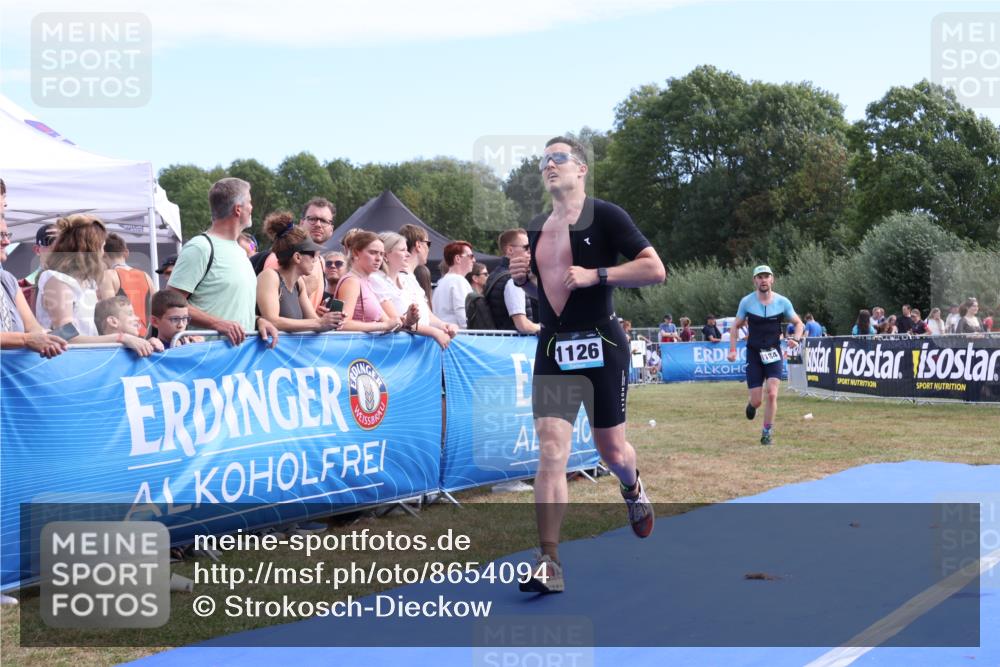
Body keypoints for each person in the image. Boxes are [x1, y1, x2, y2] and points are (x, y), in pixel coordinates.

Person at [509, 136, 666, 594]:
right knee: (552, 450)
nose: (549, 165)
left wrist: (599, 274)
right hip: (555, 346)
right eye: (544, 160)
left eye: (558, 158)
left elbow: (655, 269)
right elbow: (551, 293)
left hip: (601, 341)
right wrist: (528, 280)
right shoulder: (537, 227)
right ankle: (549, 560)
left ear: (580, 169)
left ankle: (633, 488)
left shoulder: (607, 215)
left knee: (611, 451)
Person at [167, 178, 279, 348]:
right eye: (249, 202)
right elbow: (170, 303)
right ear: (238, 209)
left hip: (237, 362)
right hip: (206, 359)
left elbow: (232, 308)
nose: (252, 207)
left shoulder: (240, 251)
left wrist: (259, 321)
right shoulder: (200, 247)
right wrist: (216, 324)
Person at [727, 265, 803, 446]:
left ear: (772, 279)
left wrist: (796, 339)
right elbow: (734, 327)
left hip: (774, 353)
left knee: (772, 394)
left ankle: (767, 431)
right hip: (754, 354)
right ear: (755, 280)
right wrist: (732, 349)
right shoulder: (746, 302)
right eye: (759, 277)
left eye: (766, 276)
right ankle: (752, 405)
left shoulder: (783, 302)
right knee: (758, 400)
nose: (763, 280)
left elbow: (799, 323)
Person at [256, 211, 342, 333]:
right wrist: (319, 323)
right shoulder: (269, 276)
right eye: (312, 253)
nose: (315, 258)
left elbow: (314, 320)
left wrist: (331, 322)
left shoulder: (299, 283)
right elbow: (272, 321)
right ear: (297, 257)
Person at [370, 231, 457, 348]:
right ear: (385, 255)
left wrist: (444, 326)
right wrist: (434, 332)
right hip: (396, 349)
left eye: (407, 250)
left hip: (419, 349)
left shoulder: (409, 279)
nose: (407, 254)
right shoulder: (376, 279)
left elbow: (428, 315)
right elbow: (396, 321)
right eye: (402, 250)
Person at [0, 214, 67, 357]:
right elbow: (28, 336)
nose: (6, 241)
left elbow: (32, 327)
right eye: (0, 236)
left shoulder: (7, 279)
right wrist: (25, 339)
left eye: (6, 235)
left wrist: (48, 337)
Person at [36, 214, 110, 337]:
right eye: (102, 246)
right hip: (67, 355)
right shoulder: (56, 279)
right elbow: (65, 335)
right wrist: (120, 339)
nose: (103, 252)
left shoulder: (89, 283)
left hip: (86, 354)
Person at [262, 197, 336, 312]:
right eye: (312, 219)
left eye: (324, 221)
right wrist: (305, 291)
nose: (318, 224)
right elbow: (272, 312)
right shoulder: (279, 258)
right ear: (301, 223)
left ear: (331, 229)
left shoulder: (321, 262)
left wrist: (318, 316)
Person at [335, 230, 407, 333]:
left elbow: (388, 322)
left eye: (381, 254)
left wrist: (406, 321)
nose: (379, 259)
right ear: (355, 253)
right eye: (373, 252)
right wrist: (384, 325)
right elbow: (342, 324)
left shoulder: (366, 281)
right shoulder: (351, 281)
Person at [486, 228, 540, 334]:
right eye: (526, 248)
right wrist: (545, 329)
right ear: (510, 250)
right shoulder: (513, 280)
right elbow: (523, 325)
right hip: (516, 345)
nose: (530, 252)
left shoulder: (494, 275)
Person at [101, 233, 155, 336]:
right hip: (145, 335)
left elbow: (108, 313)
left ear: (103, 254)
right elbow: (156, 307)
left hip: (124, 338)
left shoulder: (108, 275)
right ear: (126, 253)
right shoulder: (145, 276)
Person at [94, 296, 165, 355]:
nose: (137, 318)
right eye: (130, 314)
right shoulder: (98, 353)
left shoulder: (133, 346)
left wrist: (149, 345)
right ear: (113, 321)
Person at [432, 241, 476, 327]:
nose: (474, 260)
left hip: (444, 334)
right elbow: (464, 315)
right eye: (471, 256)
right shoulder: (458, 280)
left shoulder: (441, 281)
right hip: (458, 336)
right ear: (458, 259)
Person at [17, 223, 56, 314]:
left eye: (63, 241)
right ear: (37, 250)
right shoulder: (20, 293)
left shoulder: (79, 284)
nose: (57, 246)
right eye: (50, 240)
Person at [399, 223, 434, 310]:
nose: (429, 249)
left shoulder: (409, 276)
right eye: (428, 244)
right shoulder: (402, 278)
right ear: (418, 245)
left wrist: (444, 324)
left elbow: (427, 315)